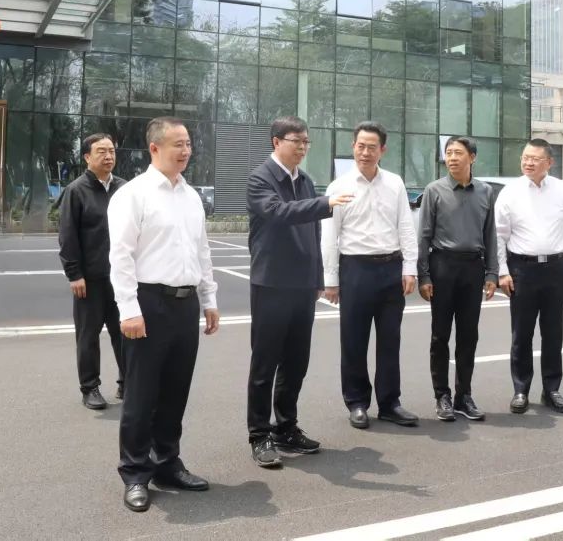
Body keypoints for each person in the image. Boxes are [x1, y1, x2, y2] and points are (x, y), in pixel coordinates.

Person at [108, 117, 221, 512]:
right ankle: (135, 473)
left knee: (175, 391)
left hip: (184, 304)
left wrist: (208, 299)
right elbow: (121, 256)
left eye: (188, 143)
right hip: (148, 303)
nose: (186, 150)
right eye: (178, 144)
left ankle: (167, 464)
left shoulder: (191, 197)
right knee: (141, 395)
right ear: (154, 148)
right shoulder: (133, 195)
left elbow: (202, 251)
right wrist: (129, 310)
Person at [245, 116, 353, 468]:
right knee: (265, 363)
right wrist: (325, 203)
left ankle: (286, 427)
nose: (304, 147)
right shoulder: (261, 178)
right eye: (297, 141)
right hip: (272, 283)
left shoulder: (304, 180)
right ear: (277, 141)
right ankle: (259, 434)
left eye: (307, 141)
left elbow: (312, 233)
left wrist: (318, 276)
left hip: (302, 285)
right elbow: (278, 213)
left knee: (296, 362)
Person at [322, 121, 419, 429]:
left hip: (391, 269)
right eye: (360, 146)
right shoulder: (338, 188)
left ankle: (390, 403)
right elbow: (329, 236)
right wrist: (331, 280)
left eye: (372, 147)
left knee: (390, 340)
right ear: (353, 147)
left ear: (383, 150)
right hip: (356, 269)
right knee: (354, 340)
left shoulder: (395, 183)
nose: (365, 152)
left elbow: (406, 226)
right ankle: (357, 402)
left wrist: (410, 268)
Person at [495, 138, 563, 414]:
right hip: (522, 269)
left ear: (549, 162)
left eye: (535, 158)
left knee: (553, 332)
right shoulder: (510, 192)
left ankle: (551, 389)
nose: (529, 163)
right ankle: (520, 389)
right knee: (521, 333)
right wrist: (502, 271)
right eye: (525, 157)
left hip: (557, 268)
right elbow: (499, 236)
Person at [417, 137, 498, 422]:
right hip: (442, 266)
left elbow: (490, 234)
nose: (452, 158)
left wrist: (492, 272)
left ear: (472, 157)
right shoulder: (434, 190)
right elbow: (423, 235)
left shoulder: (485, 192)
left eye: (458, 153)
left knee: (468, 335)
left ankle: (464, 396)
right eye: (448, 153)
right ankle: (442, 395)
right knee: (440, 335)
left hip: (472, 268)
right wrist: (424, 274)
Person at [58, 134, 126, 410]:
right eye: (101, 151)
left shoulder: (124, 189)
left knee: (126, 332)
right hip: (90, 279)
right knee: (88, 336)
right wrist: (74, 274)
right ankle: (90, 388)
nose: (108, 156)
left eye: (111, 151)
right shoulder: (76, 191)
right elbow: (67, 236)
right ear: (87, 157)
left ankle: (127, 382)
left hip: (121, 278)